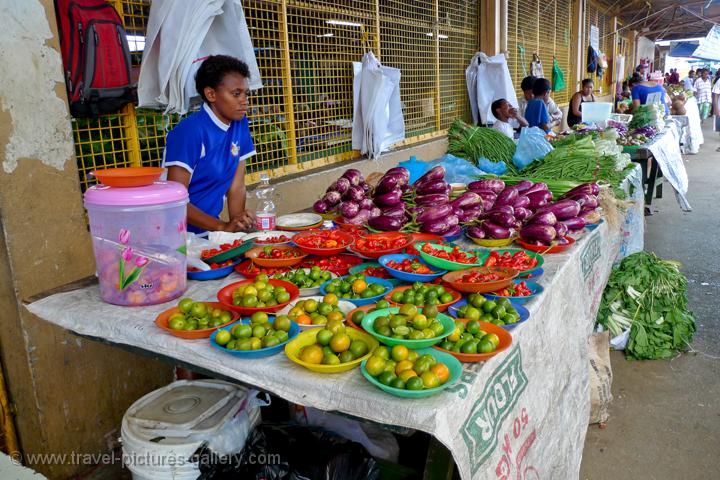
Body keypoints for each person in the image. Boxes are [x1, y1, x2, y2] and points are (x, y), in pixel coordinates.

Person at [163, 55, 257, 235]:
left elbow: (236, 185)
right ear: (211, 94)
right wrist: (222, 227)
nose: (244, 100)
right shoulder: (190, 131)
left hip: (209, 231)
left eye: (246, 93)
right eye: (236, 94)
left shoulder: (240, 124)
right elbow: (174, 200)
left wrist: (237, 229)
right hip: (175, 235)